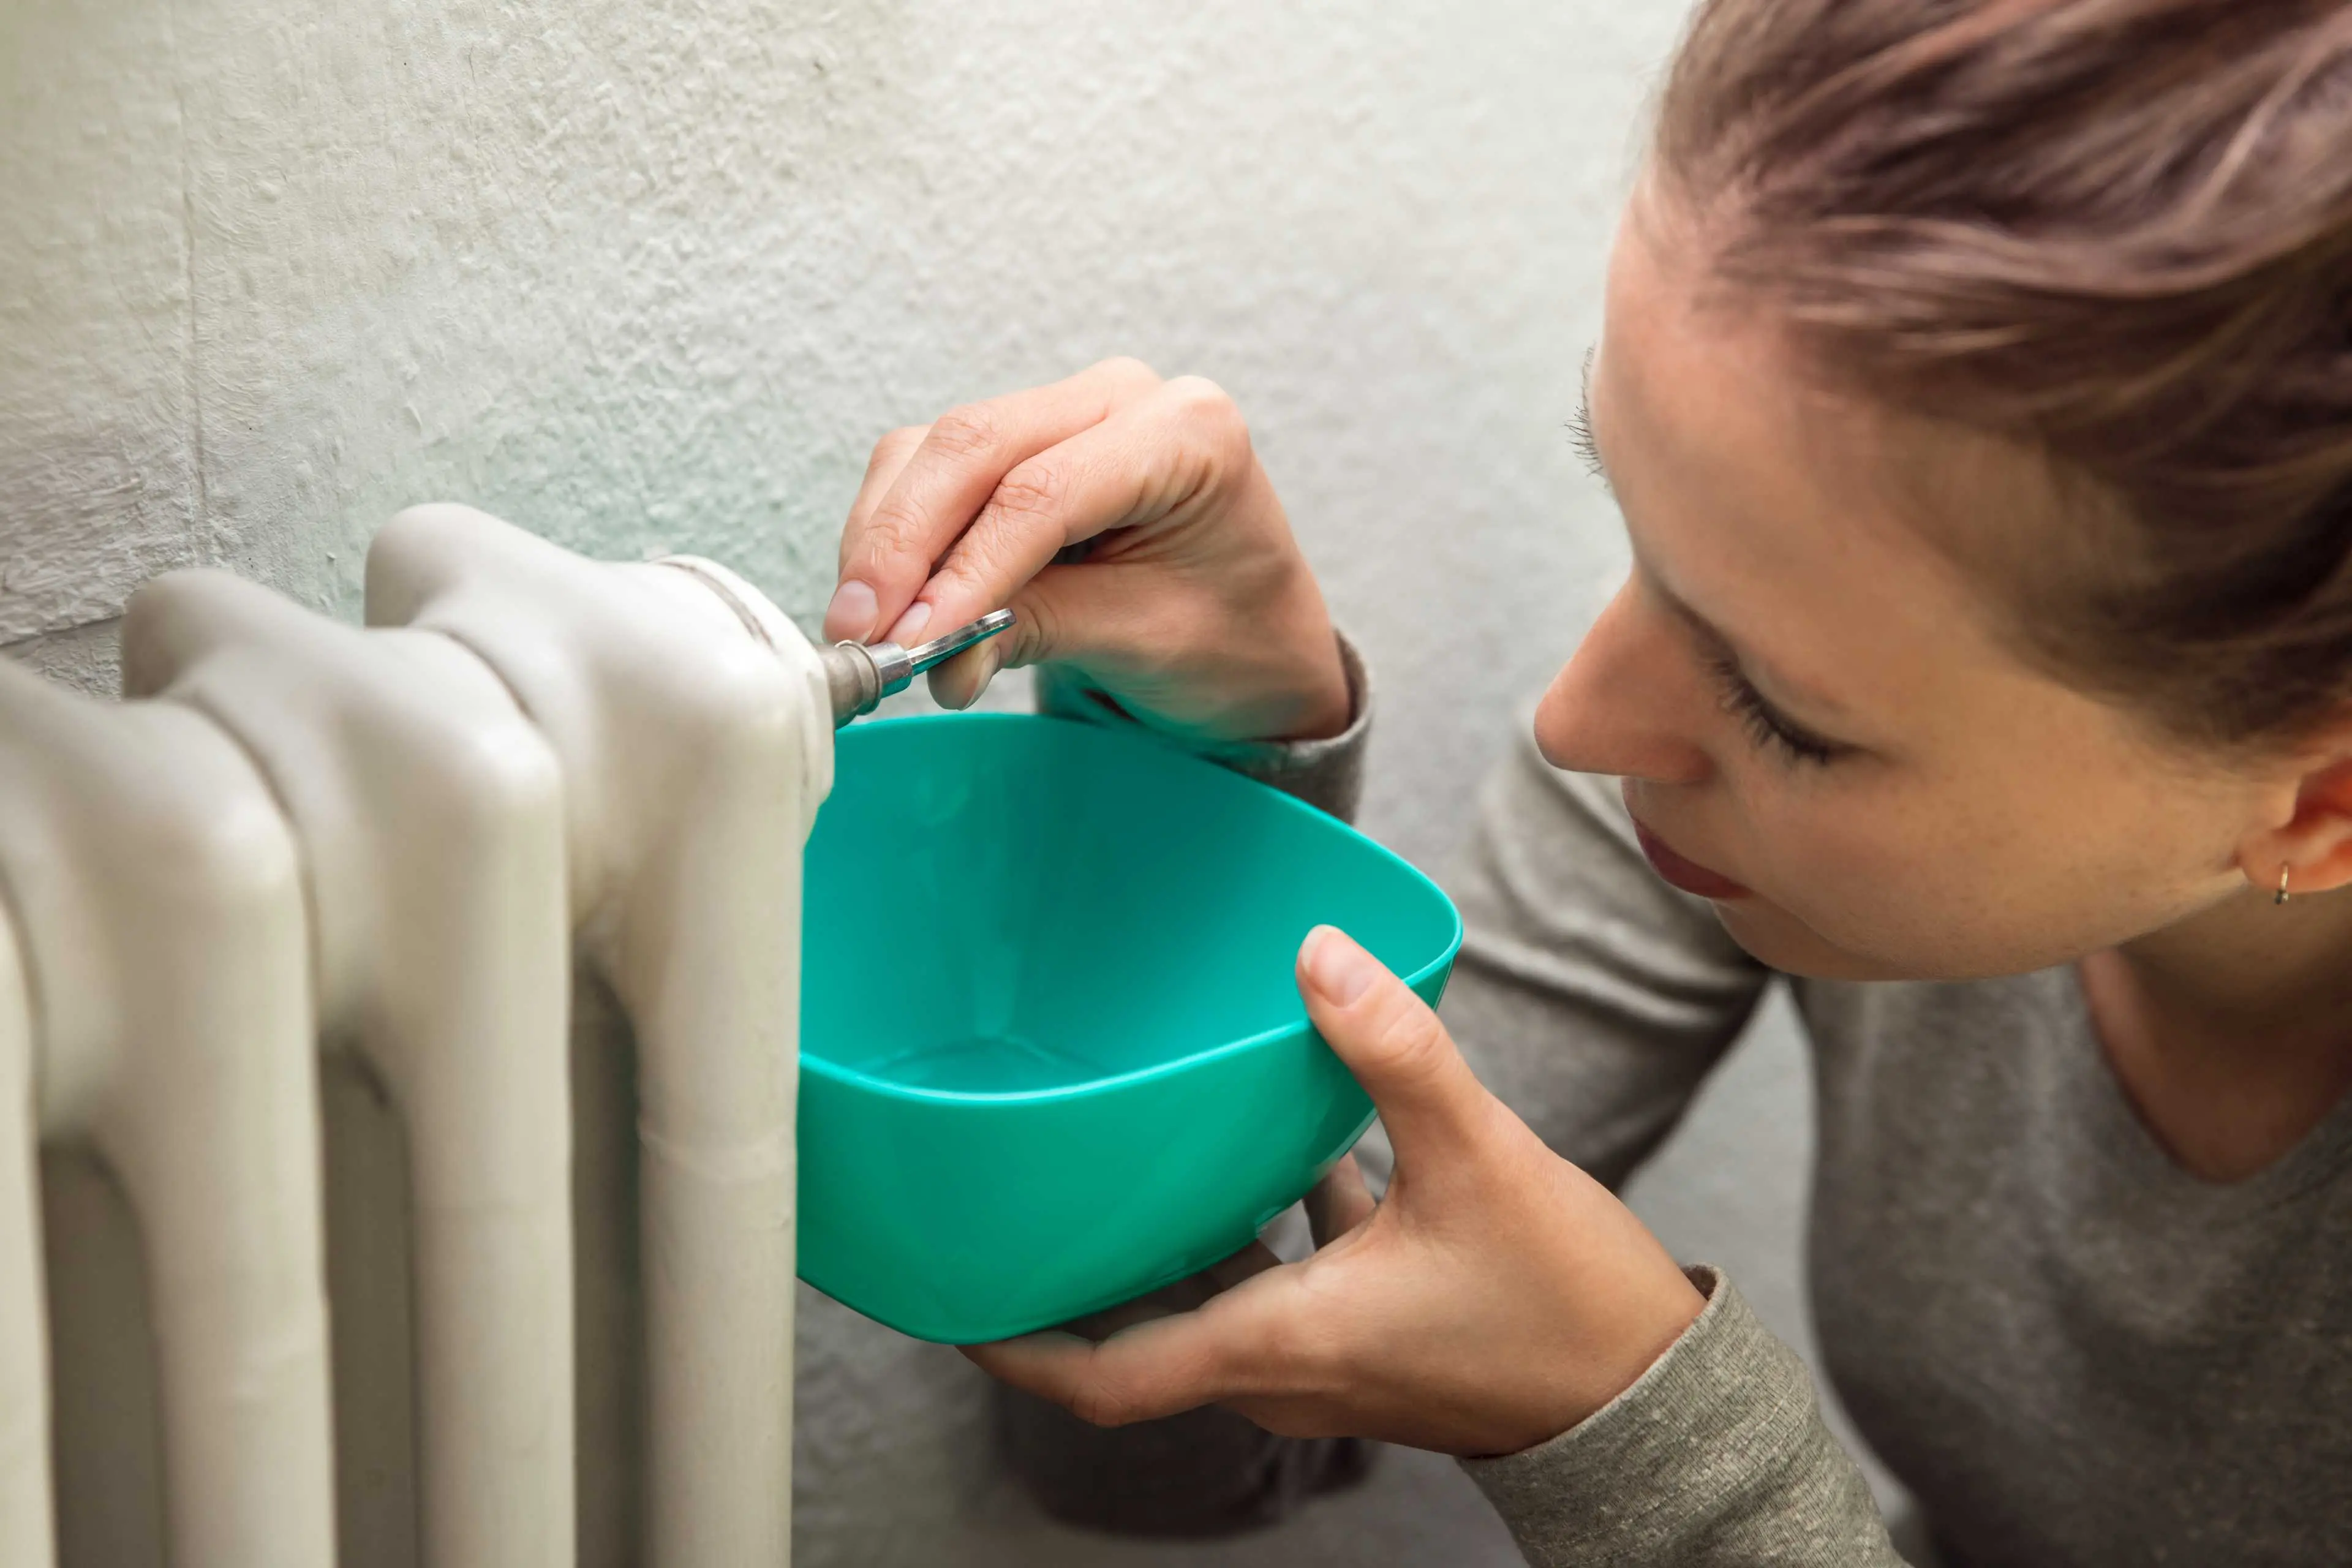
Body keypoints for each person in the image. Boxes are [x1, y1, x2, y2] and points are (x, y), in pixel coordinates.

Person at [820, 1, 2352, 1562]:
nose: (1575, 720)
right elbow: (1178, 1444)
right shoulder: (1721, 796)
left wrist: (1642, 1433)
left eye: (1782, 709)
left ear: (2321, 797)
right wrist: (1208, 778)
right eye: (1631, 522)